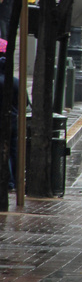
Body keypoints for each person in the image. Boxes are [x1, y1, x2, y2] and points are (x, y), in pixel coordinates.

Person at [0, 40, 19, 190]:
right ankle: (13, 181)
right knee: (13, 151)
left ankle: (8, 180)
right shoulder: (15, 81)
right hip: (13, 120)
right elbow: (24, 103)